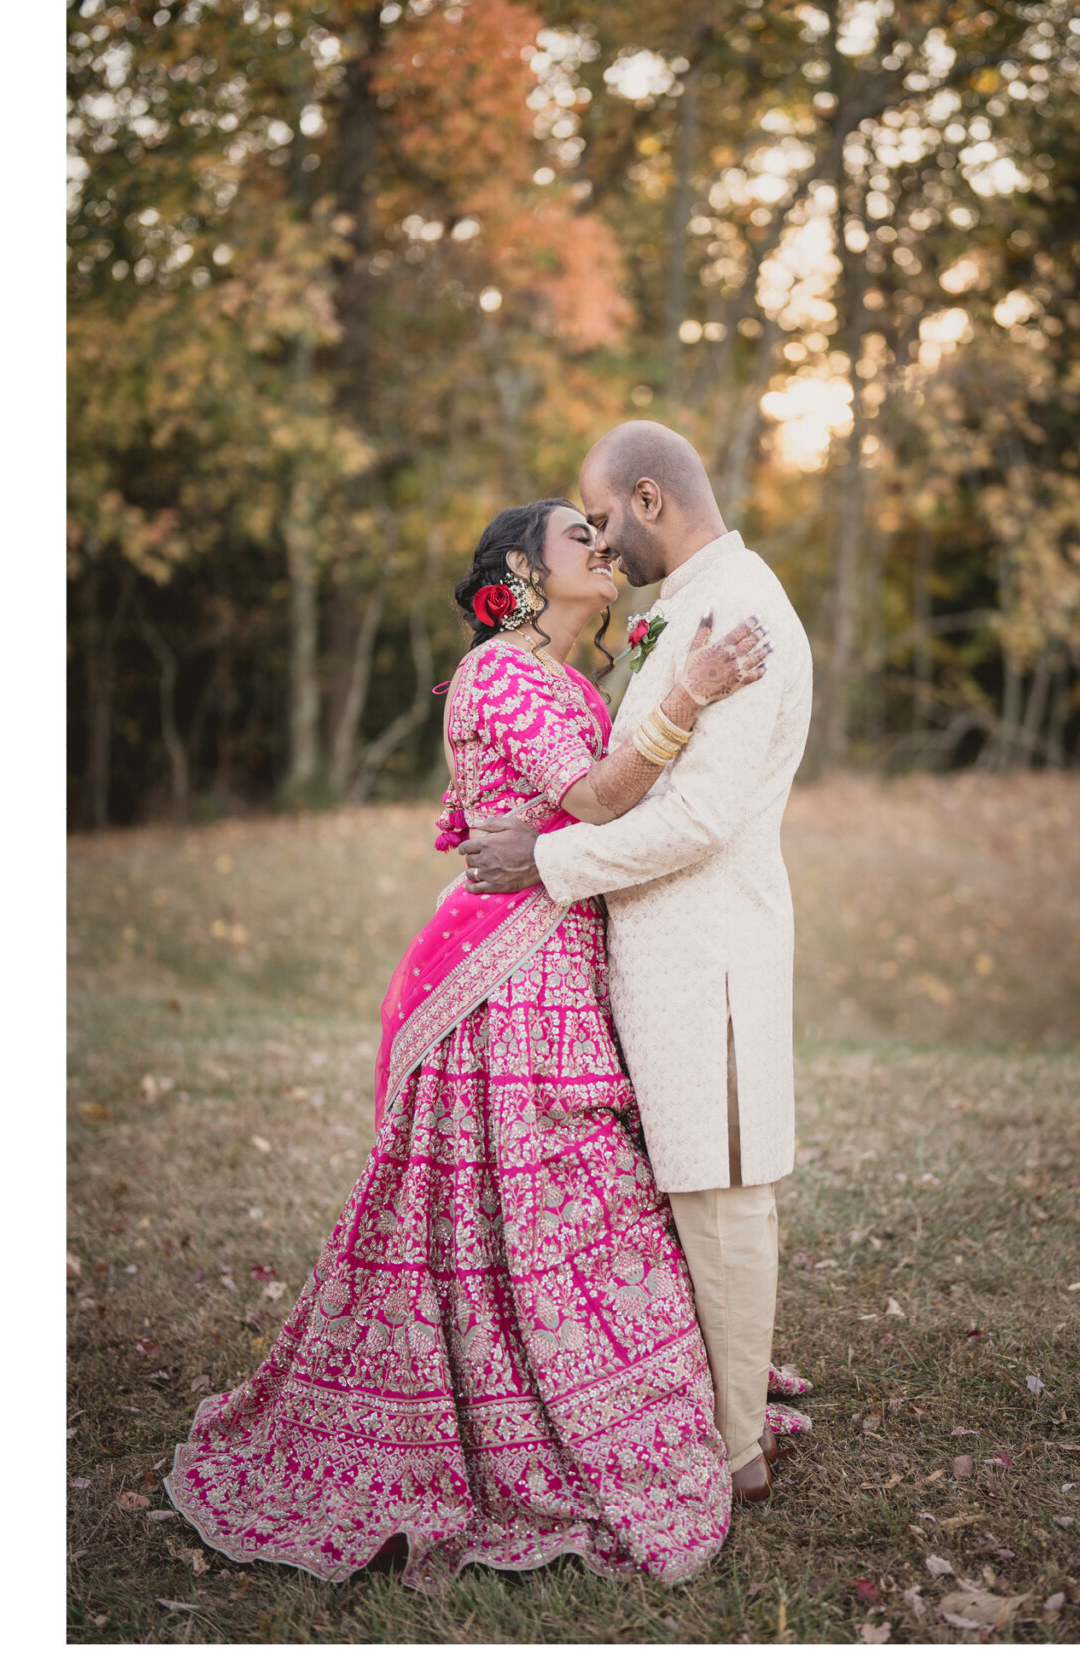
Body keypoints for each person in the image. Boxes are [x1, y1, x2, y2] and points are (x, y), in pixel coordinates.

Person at [166, 493, 774, 1590]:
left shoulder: (577, 682)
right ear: (520, 573)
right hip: (496, 976)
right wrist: (689, 690)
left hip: (564, 960)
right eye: (574, 536)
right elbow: (591, 795)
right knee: (524, 1197)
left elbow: (599, 812)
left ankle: (631, 1392)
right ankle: (523, 1409)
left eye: (601, 532)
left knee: (589, 1196)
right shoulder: (497, 669)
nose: (599, 545)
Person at [458, 420, 818, 1505]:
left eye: (606, 516)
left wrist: (545, 856)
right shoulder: (691, 610)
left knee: (721, 1190)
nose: (606, 543)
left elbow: (700, 818)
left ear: (649, 500)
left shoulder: (737, 608)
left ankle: (736, 1445)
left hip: (704, 946)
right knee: (688, 1191)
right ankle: (692, 1408)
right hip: (657, 949)